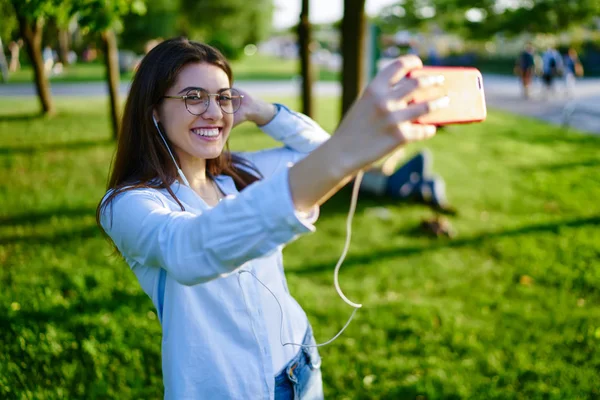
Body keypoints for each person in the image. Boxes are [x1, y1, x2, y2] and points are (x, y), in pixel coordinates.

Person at [97, 37, 447, 399]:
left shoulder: (241, 172)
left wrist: (263, 111)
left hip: (301, 366)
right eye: (193, 97)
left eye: (223, 97)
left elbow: (319, 150)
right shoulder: (127, 204)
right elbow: (189, 251)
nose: (215, 113)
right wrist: (346, 150)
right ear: (154, 110)